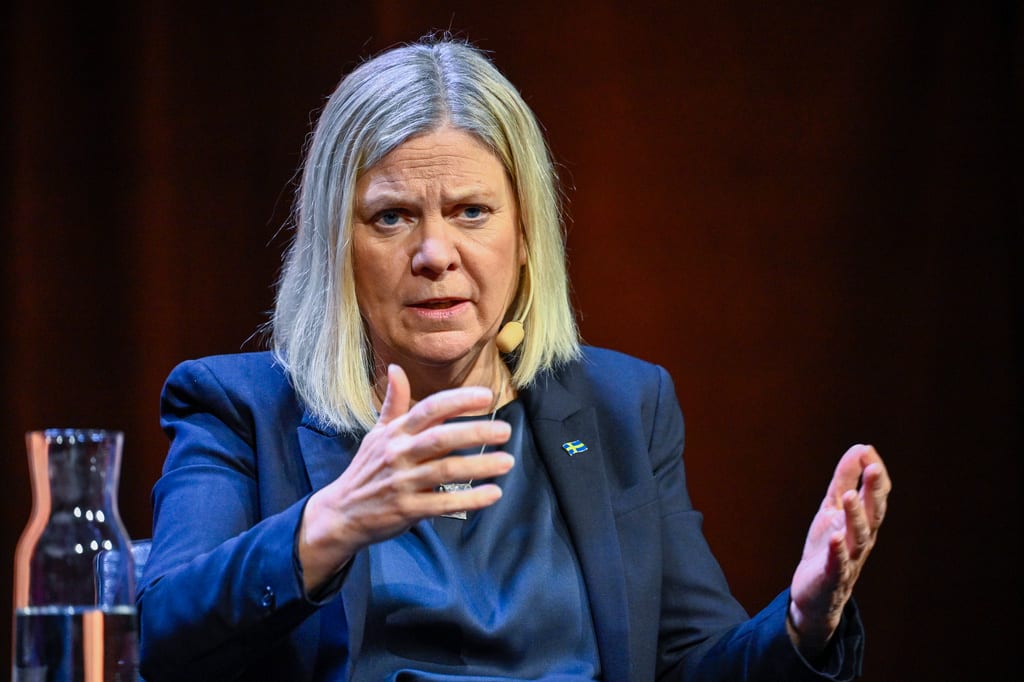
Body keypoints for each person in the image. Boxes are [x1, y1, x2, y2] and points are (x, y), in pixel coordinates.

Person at [137, 38, 891, 682]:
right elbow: (162, 636)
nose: (436, 254)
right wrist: (330, 523)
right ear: (336, 244)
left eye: (471, 211)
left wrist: (803, 623)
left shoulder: (623, 407)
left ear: (526, 235)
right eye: (392, 217)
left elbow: (692, 663)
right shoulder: (240, 409)